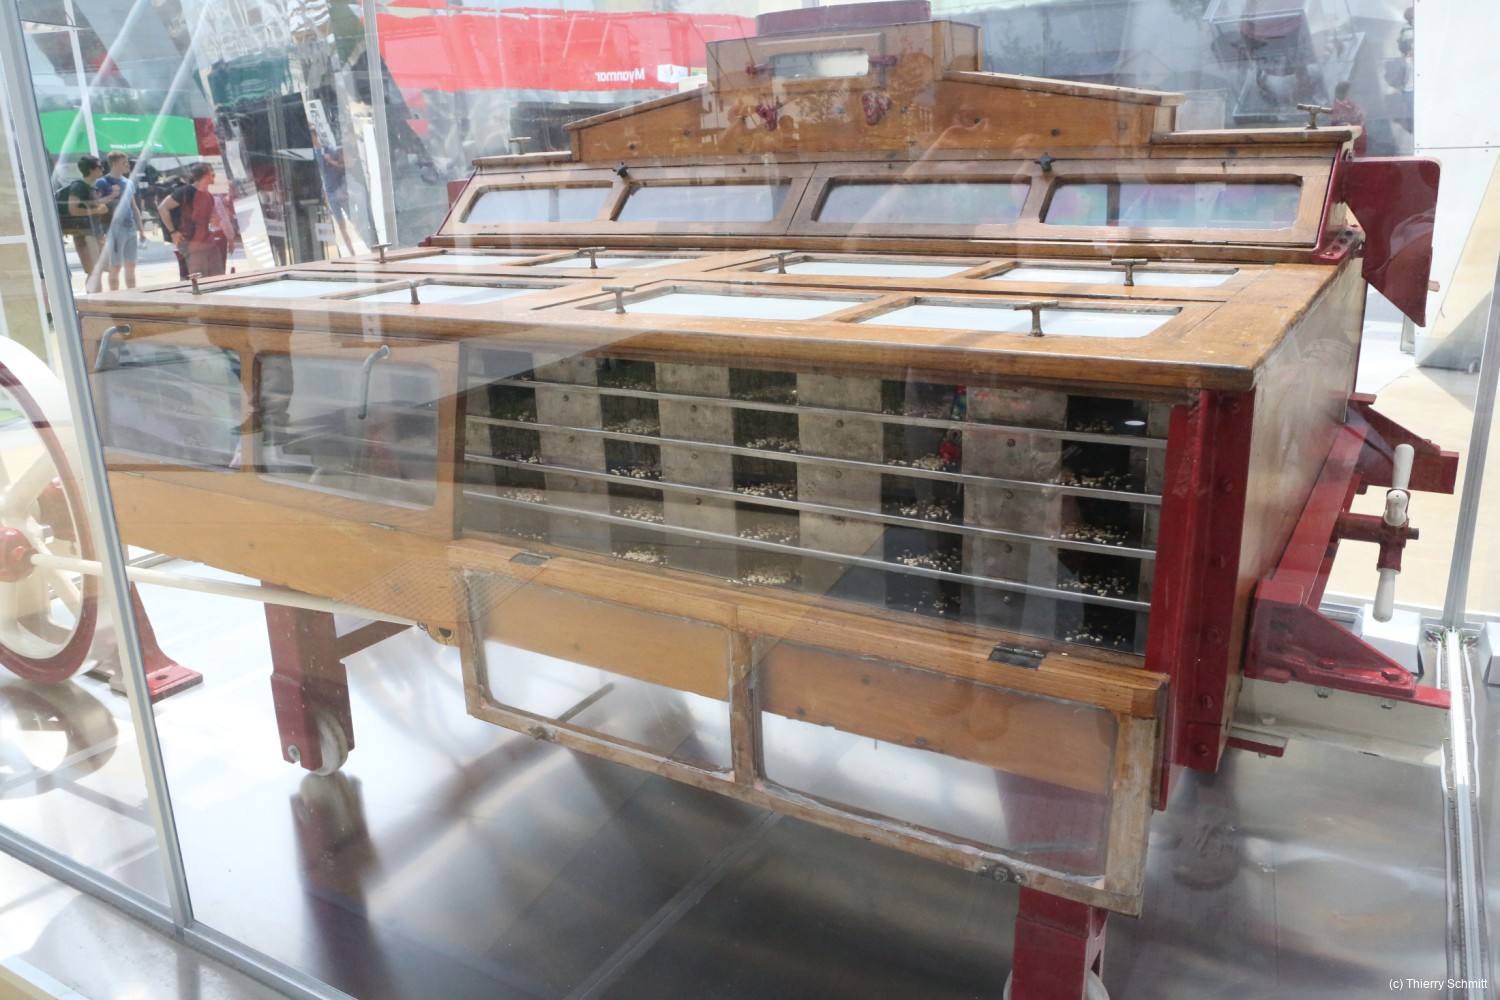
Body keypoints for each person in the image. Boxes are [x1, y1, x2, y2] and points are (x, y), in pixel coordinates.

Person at [159, 163, 230, 279]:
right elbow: (163, 207)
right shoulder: (185, 192)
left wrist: (214, 220)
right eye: (212, 173)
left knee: (215, 276)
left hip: (205, 244)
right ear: (206, 175)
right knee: (197, 279)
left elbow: (211, 220)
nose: (215, 175)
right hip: (191, 245)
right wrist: (173, 232)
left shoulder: (208, 196)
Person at [95, 151, 147, 289]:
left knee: (131, 265)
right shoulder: (102, 182)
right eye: (124, 163)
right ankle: (115, 296)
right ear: (114, 164)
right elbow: (96, 203)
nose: (127, 165)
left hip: (130, 226)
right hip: (114, 228)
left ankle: (132, 294)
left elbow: (133, 206)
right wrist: (112, 195)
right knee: (115, 266)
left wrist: (141, 229)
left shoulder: (128, 182)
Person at [60, 154, 108, 292]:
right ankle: (94, 300)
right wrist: (97, 210)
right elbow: (73, 209)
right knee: (94, 271)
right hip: (85, 233)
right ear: (92, 169)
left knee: (97, 271)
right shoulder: (79, 186)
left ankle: (96, 299)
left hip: (93, 232)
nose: (102, 169)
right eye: (99, 167)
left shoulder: (90, 187)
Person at [1329, 82, 1368, 157]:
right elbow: (1333, 124)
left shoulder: (1355, 107)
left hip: (1358, 144)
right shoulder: (1331, 108)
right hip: (1339, 147)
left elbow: (1362, 118)